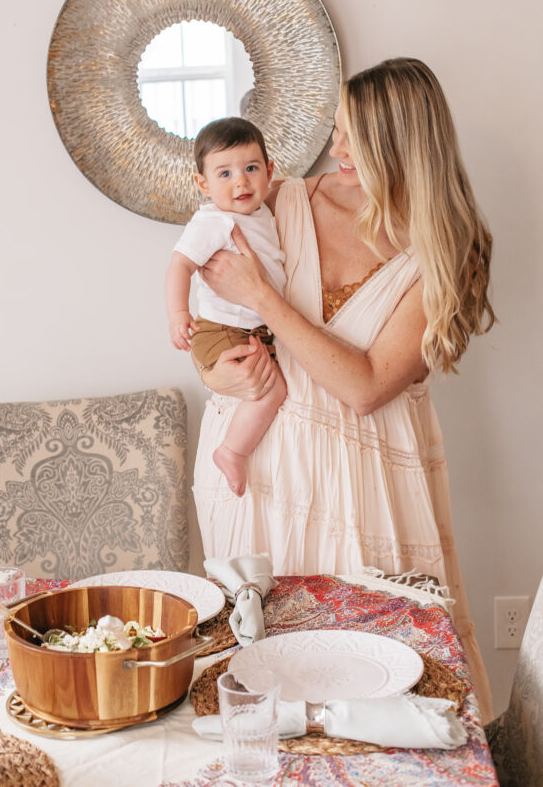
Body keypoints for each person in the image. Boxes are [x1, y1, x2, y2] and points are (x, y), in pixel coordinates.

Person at [191, 58, 496, 721]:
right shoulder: (282, 201)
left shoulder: (447, 249)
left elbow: (366, 387)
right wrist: (218, 372)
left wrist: (265, 299)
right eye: (337, 129)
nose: (337, 150)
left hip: (370, 482)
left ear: (403, 143)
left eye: (357, 136)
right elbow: (214, 320)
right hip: (257, 470)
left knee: (386, 679)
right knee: (255, 680)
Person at [165, 117, 287, 496]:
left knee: (275, 387)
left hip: (254, 328)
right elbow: (179, 266)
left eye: (251, 168)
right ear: (203, 184)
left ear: (269, 171)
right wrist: (178, 314)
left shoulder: (263, 213)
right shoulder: (214, 222)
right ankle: (231, 452)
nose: (241, 182)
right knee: (273, 389)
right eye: (225, 173)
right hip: (221, 329)